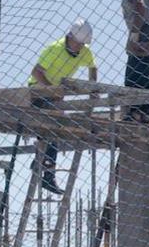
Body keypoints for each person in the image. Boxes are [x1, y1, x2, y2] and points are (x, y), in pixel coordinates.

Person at [27, 18, 97, 194]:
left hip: (55, 95)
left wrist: (93, 87)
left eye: (83, 44)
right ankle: (47, 172)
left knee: (53, 130)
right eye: (79, 43)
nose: (80, 47)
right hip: (38, 89)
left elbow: (93, 67)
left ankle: (42, 164)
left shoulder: (84, 52)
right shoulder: (54, 49)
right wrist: (52, 90)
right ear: (71, 37)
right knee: (54, 126)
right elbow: (36, 71)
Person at [100, 0, 149, 122]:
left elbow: (139, 8)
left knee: (133, 77)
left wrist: (134, 35)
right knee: (145, 76)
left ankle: (135, 114)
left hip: (144, 33)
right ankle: (143, 114)